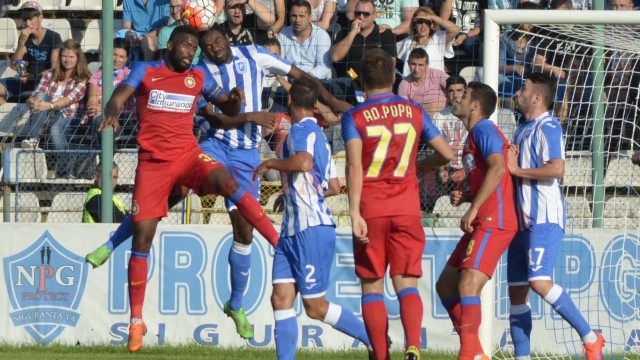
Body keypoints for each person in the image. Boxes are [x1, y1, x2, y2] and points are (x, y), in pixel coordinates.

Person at [99, 25, 279, 353]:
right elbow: (118, 96)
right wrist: (111, 113)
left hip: (188, 156)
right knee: (142, 238)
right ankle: (136, 321)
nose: (190, 52)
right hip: (153, 166)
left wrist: (235, 102)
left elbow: (227, 106)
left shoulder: (197, 76)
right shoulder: (146, 69)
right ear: (170, 45)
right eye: (185, 46)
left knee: (228, 183)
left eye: (194, 49)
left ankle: (280, 244)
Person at [197, 26, 350, 339]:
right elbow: (211, 116)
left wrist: (331, 100)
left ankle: (236, 304)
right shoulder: (200, 72)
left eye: (217, 41)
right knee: (182, 183)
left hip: (246, 155)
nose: (214, 48)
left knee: (244, 230)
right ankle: (136, 220)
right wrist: (249, 116)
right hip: (214, 144)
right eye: (208, 46)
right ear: (203, 50)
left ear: (227, 38)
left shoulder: (254, 54)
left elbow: (300, 76)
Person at [341, 48, 454, 360]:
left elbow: (353, 167)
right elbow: (446, 154)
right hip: (406, 207)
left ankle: (380, 355)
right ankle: (413, 345)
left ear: (362, 79)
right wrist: (419, 166)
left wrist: (353, 213)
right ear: (393, 77)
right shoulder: (414, 111)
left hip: (371, 209)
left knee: (372, 287)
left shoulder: (354, 116)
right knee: (407, 284)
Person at [254, 77, 371, 359]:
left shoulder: (300, 130)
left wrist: (270, 162)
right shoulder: (319, 135)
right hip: (293, 231)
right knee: (280, 298)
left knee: (315, 307)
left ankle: (376, 340)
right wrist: (292, 192)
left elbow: (304, 162)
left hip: (310, 229)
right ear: (315, 104)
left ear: (291, 102)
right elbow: (331, 186)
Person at [507, 72, 605, 360]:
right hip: (520, 222)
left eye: (522, 89)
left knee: (539, 281)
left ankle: (591, 337)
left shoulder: (549, 126)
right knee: (516, 294)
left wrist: (516, 170)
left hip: (544, 218)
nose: (517, 92)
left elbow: (557, 169)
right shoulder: (522, 129)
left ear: (536, 97)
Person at [434, 81, 517, 360]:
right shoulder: (472, 137)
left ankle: (468, 354)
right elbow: (487, 177)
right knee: (446, 284)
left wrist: (473, 208)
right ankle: (477, 353)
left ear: (475, 105)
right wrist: (468, 198)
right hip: (482, 218)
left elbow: (498, 167)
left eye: (464, 94)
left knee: (468, 284)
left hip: (496, 219)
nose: (456, 97)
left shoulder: (483, 128)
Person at [24, 39, 91, 179]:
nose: (67, 60)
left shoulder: (83, 78)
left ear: (78, 59)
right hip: (46, 115)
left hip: (70, 117)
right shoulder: (50, 74)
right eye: (64, 56)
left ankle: (65, 171)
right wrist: (31, 100)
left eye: (71, 57)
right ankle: (33, 138)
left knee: (55, 129)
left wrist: (49, 105)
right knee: (40, 96)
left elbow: (70, 98)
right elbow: (38, 93)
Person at [421, 76, 468, 215]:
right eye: (451, 91)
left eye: (459, 90)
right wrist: (441, 169)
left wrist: (465, 170)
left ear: (465, 92)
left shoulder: (471, 115)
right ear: (446, 93)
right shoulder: (439, 116)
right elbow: (432, 147)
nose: (456, 94)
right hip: (444, 168)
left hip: (467, 169)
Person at [0, 1, 62, 104]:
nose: (28, 24)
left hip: (43, 81)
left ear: (41, 17)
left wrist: (33, 76)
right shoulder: (25, 37)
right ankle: (10, 114)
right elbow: (13, 65)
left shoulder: (53, 37)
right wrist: (21, 43)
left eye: (31, 19)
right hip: (24, 80)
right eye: (25, 20)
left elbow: (54, 68)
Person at [331, 0, 397, 82]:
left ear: (375, 15)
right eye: (358, 13)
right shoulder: (346, 31)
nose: (361, 17)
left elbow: (391, 63)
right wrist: (353, 32)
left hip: (376, 82)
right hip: (350, 79)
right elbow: (335, 57)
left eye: (366, 14)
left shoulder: (384, 34)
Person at [85, 38, 135, 131]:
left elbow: (124, 102)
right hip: (100, 114)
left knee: (109, 125)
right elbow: (92, 100)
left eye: (121, 56)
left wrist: (105, 108)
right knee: (103, 123)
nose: (117, 59)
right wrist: (93, 107)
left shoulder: (130, 76)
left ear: (126, 59)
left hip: (123, 115)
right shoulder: (97, 75)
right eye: (114, 55)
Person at [396, 5, 458, 76]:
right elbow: (390, 49)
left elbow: (455, 30)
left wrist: (432, 17)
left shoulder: (437, 38)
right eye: (420, 21)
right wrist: (388, 30)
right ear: (415, 24)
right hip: (411, 85)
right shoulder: (408, 40)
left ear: (432, 25)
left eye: (427, 22)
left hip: (433, 84)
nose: (423, 25)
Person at [277, 0, 333, 80]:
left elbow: (323, 67)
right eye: (294, 16)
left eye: (301, 16)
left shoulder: (322, 36)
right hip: (289, 81)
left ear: (310, 17)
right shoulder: (283, 34)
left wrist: (303, 78)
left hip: (315, 82)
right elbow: (280, 62)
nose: (297, 20)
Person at [397, 48, 448, 117]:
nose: (416, 69)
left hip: (445, 114)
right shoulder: (404, 84)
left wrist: (421, 107)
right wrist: (433, 105)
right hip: (420, 119)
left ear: (427, 65)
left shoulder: (436, 74)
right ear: (408, 63)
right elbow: (405, 110)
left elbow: (456, 88)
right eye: (413, 64)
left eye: (421, 65)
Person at [345, 0, 417, 36]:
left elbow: (411, 21)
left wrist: (391, 32)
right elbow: (350, 15)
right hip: (365, 36)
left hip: (394, 38)